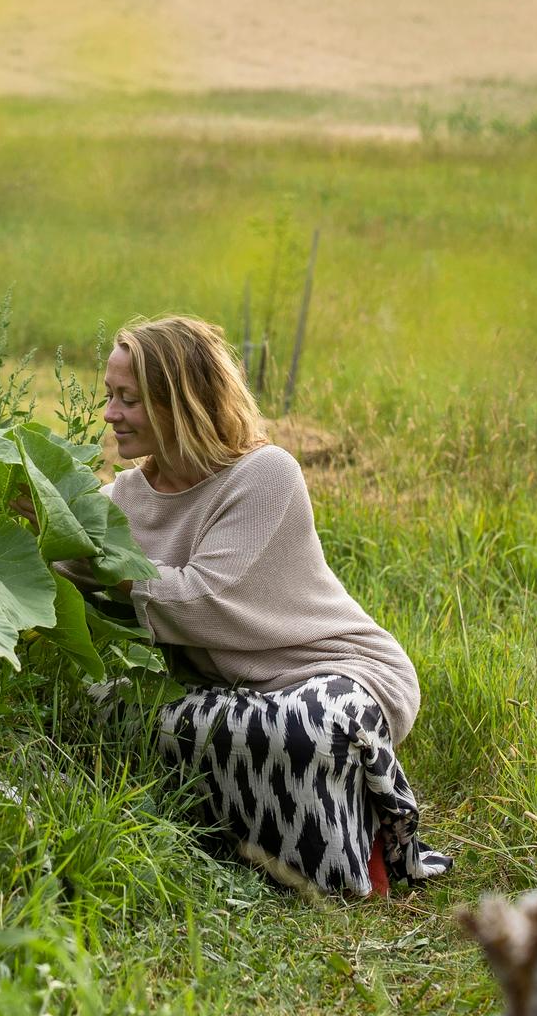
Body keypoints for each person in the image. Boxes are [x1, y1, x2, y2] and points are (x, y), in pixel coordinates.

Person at [74, 314, 450, 900]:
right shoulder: (124, 497)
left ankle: (357, 857)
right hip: (226, 692)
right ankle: (239, 838)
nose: (110, 415)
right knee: (103, 706)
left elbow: (203, 599)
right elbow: (49, 568)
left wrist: (94, 554)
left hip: (330, 673)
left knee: (307, 730)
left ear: (183, 403)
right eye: (109, 396)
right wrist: (38, 521)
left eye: (129, 400)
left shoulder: (264, 473)